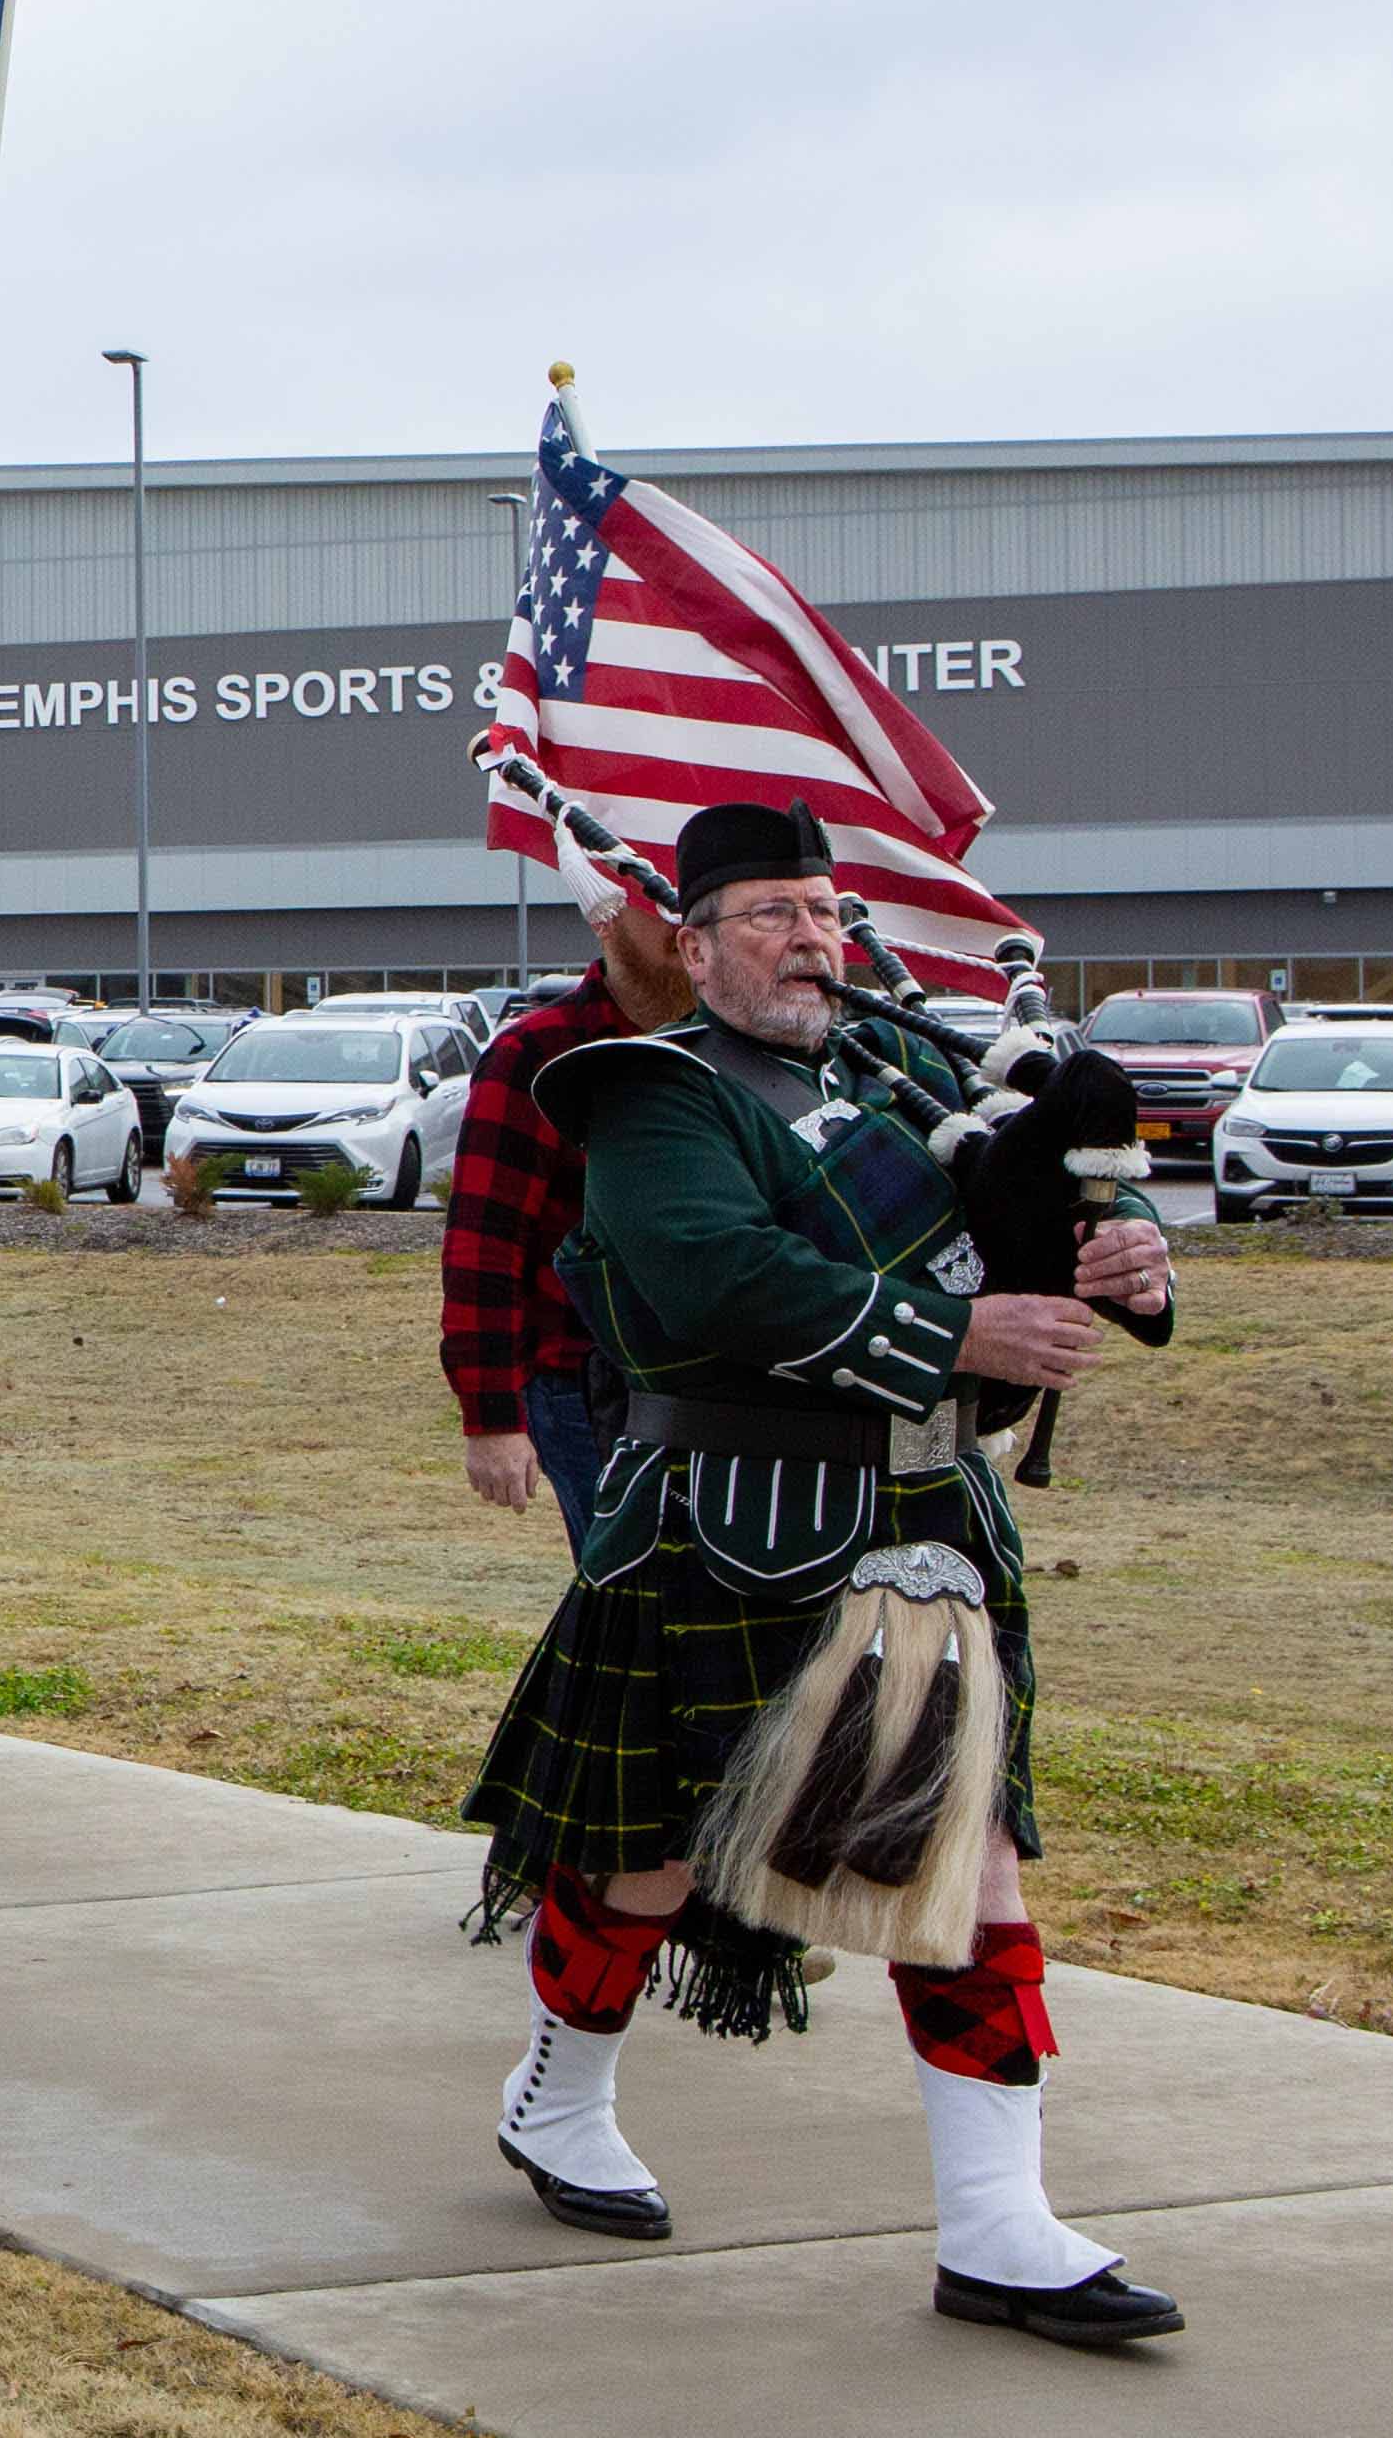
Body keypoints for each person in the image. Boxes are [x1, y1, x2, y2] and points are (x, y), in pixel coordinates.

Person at [457, 802, 1185, 2346]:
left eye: (824, 908)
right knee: (658, 1859)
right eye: (773, 911)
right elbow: (715, 1270)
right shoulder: (651, 1090)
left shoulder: (907, 1072)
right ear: (696, 939)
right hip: (727, 1526)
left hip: (927, 1532)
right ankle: (558, 2093)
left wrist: (1123, 1252)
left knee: (965, 1867)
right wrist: (957, 1334)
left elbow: (1041, 1201)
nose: (810, 937)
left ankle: (999, 2226)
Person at [447, 890, 696, 1550]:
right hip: (581, 1387)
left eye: (696, 907)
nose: (683, 925)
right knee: (637, 1593)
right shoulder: (538, 1056)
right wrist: (493, 1418)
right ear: (606, 917)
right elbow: (483, 1250)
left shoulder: (728, 1050)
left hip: (709, 1384)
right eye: (661, 905)